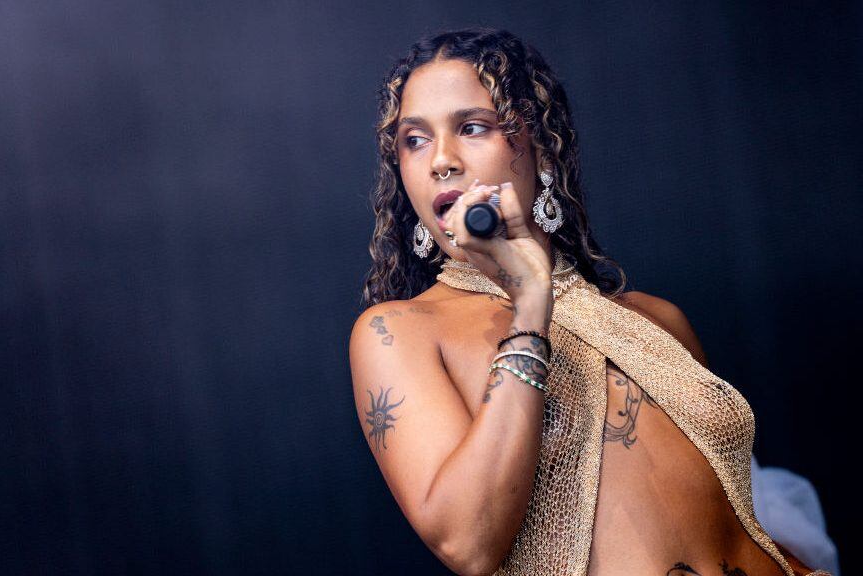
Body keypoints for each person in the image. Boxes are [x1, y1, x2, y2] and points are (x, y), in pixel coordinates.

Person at [349, 27, 836, 576]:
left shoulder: (656, 319)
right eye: (414, 140)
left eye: (472, 127)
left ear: (542, 150)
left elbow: (734, 516)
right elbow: (469, 541)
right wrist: (529, 306)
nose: (441, 160)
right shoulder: (401, 331)